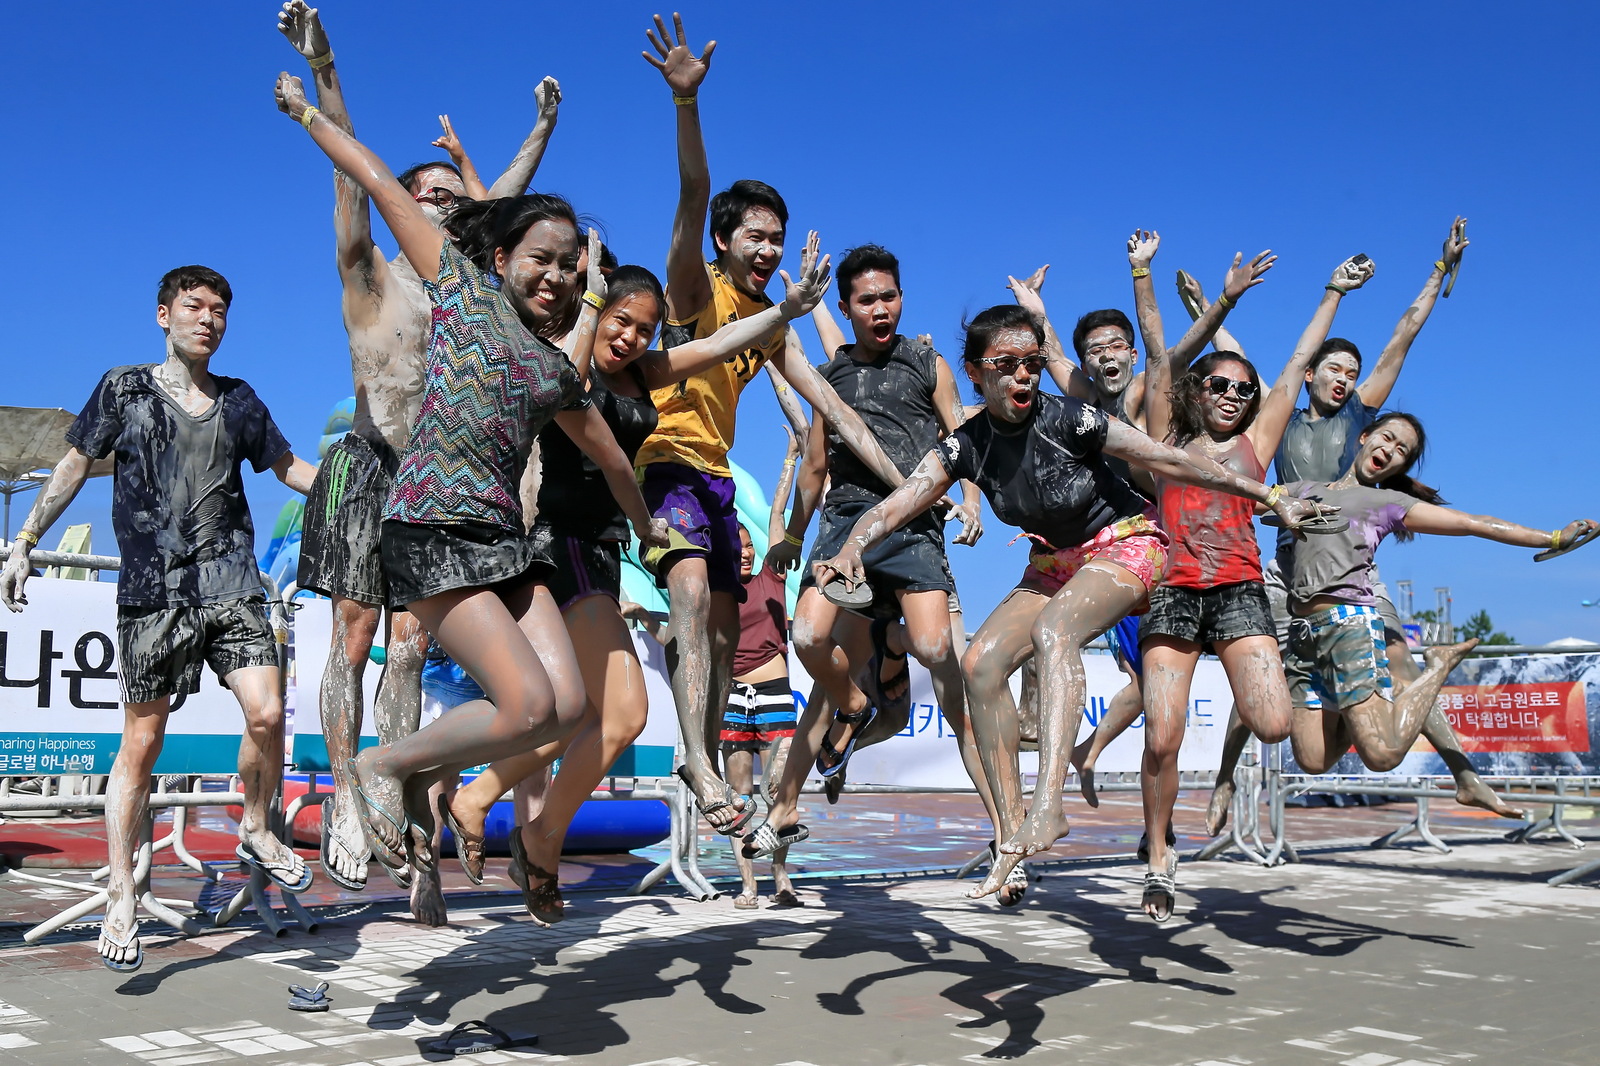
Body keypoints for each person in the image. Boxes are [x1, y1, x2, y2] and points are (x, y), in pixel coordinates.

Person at [274, 71, 669, 884]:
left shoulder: (554, 373)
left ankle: (430, 775)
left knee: (564, 707)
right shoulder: (458, 289)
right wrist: (312, 109)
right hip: (430, 530)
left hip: (502, 544)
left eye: (570, 267)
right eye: (540, 260)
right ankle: (381, 766)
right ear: (498, 259)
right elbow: (380, 184)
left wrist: (647, 526)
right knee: (527, 702)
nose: (555, 276)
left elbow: (610, 456)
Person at [811, 303, 1327, 902]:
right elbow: (897, 504)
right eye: (1006, 364)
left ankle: (1049, 805)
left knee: (1055, 633)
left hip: (1129, 541)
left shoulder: (1072, 419)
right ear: (974, 372)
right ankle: (1011, 835)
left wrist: (1267, 494)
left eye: (1032, 362)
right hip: (1054, 563)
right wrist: (852, 546)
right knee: (979, 663)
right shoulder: (964, 447)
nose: (1024, 375)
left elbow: (1169, 458)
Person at [439, 243, 836, 922]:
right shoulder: (567, 360)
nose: (629, 338)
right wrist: (589, 297)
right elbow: (564, 384)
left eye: (645, 329)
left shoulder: (645, 374)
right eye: (621, 320)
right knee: (586, 710)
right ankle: (493, 811)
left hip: (600, 551)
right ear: (598, 310)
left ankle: (524, 829)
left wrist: (785, 312)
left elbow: (718, 345)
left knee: (612, 718)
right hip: (557, 544)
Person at [274, 1, 567, 910]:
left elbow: (508, 209)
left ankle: (402, 818)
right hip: (369, 467)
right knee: (354, 639)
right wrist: (325, 75)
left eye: (452, 196)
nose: (443, 201)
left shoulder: (470, 299)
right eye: (429, 193)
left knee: (409, 652)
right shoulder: (372, 273)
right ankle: (345, 798)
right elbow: (353, 178)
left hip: (439, 488)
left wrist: (540, 131)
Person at [0, 266, 318, 971]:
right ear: (163, 315)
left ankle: (256, 827)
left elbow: (289, 467)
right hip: (153, 591)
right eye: (194, 306)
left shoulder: (240, 400)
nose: (208, 319)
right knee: (142, 743)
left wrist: (352, 488)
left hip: (231, 582)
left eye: (220, 310)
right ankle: (122, 894)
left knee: (267, 714)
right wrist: (24, 541)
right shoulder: (124, 388)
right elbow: (74, 465)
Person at [634, 13, 904, 836]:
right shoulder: (694, 288)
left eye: (777, 240)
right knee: (687, 593)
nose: (767, 249)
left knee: (723, 641)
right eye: (754, 236)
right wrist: (686, 103)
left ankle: (708, 751)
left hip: (715, 478)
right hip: (662, 464)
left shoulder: (774, 323)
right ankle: (695, 757)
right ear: (724, 240)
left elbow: (834, 409)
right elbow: (692, 191)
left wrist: (909, 485)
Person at [1115, 238, 1377, 919]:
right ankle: (1159, 856)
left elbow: (1295, 365)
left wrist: (1333, 292)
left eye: (1242, 389)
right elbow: (1156, 350)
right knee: (1162, 737)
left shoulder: (1256, 445)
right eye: (1219, 385)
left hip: (1238, 592)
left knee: (1273, 723)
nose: (1232, 395)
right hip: (1174, 590)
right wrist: (1144, 273)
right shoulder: (1166, 440)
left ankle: (1336, 702)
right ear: (1196, 391)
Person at [750, 244, 996, 872]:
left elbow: (963, 439)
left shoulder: (927, 364)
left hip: (914, 523)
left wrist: (970, 500)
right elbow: (814, 465)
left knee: (940, 655)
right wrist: (793, 536)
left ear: (902, 299)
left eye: (889, 296)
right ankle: (796, 790)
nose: (881, 308)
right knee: (809, 640)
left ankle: (1006, 830)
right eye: (867, 300)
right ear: (846, 308)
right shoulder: (830, 378)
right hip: (845, 524)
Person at [1273, 413, 1597, 779]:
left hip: (1348, 627)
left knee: (1382, 756)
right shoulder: (1304, 489)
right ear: (1364, 437)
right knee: (1313, 760)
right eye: (1387, 438)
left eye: (1402, 451)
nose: (1390, 450)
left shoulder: (1388, 502)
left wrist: (1552, 537)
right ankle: (1376, 699)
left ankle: (1438, 665)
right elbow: (1243, 497)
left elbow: (1472, 523)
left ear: (1400, 466)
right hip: (1304, 636)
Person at [722, 463, 803, 908]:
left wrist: (789, 462)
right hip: (734, 699)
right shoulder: (717, 598)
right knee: (739, 799)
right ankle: (747, 885)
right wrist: (641, 615)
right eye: (739, 549)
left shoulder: (771, 577)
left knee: (777, 792)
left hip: (773, 695)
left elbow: (776, 516)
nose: (747, 554)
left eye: (750, 546)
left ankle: (780, 875)